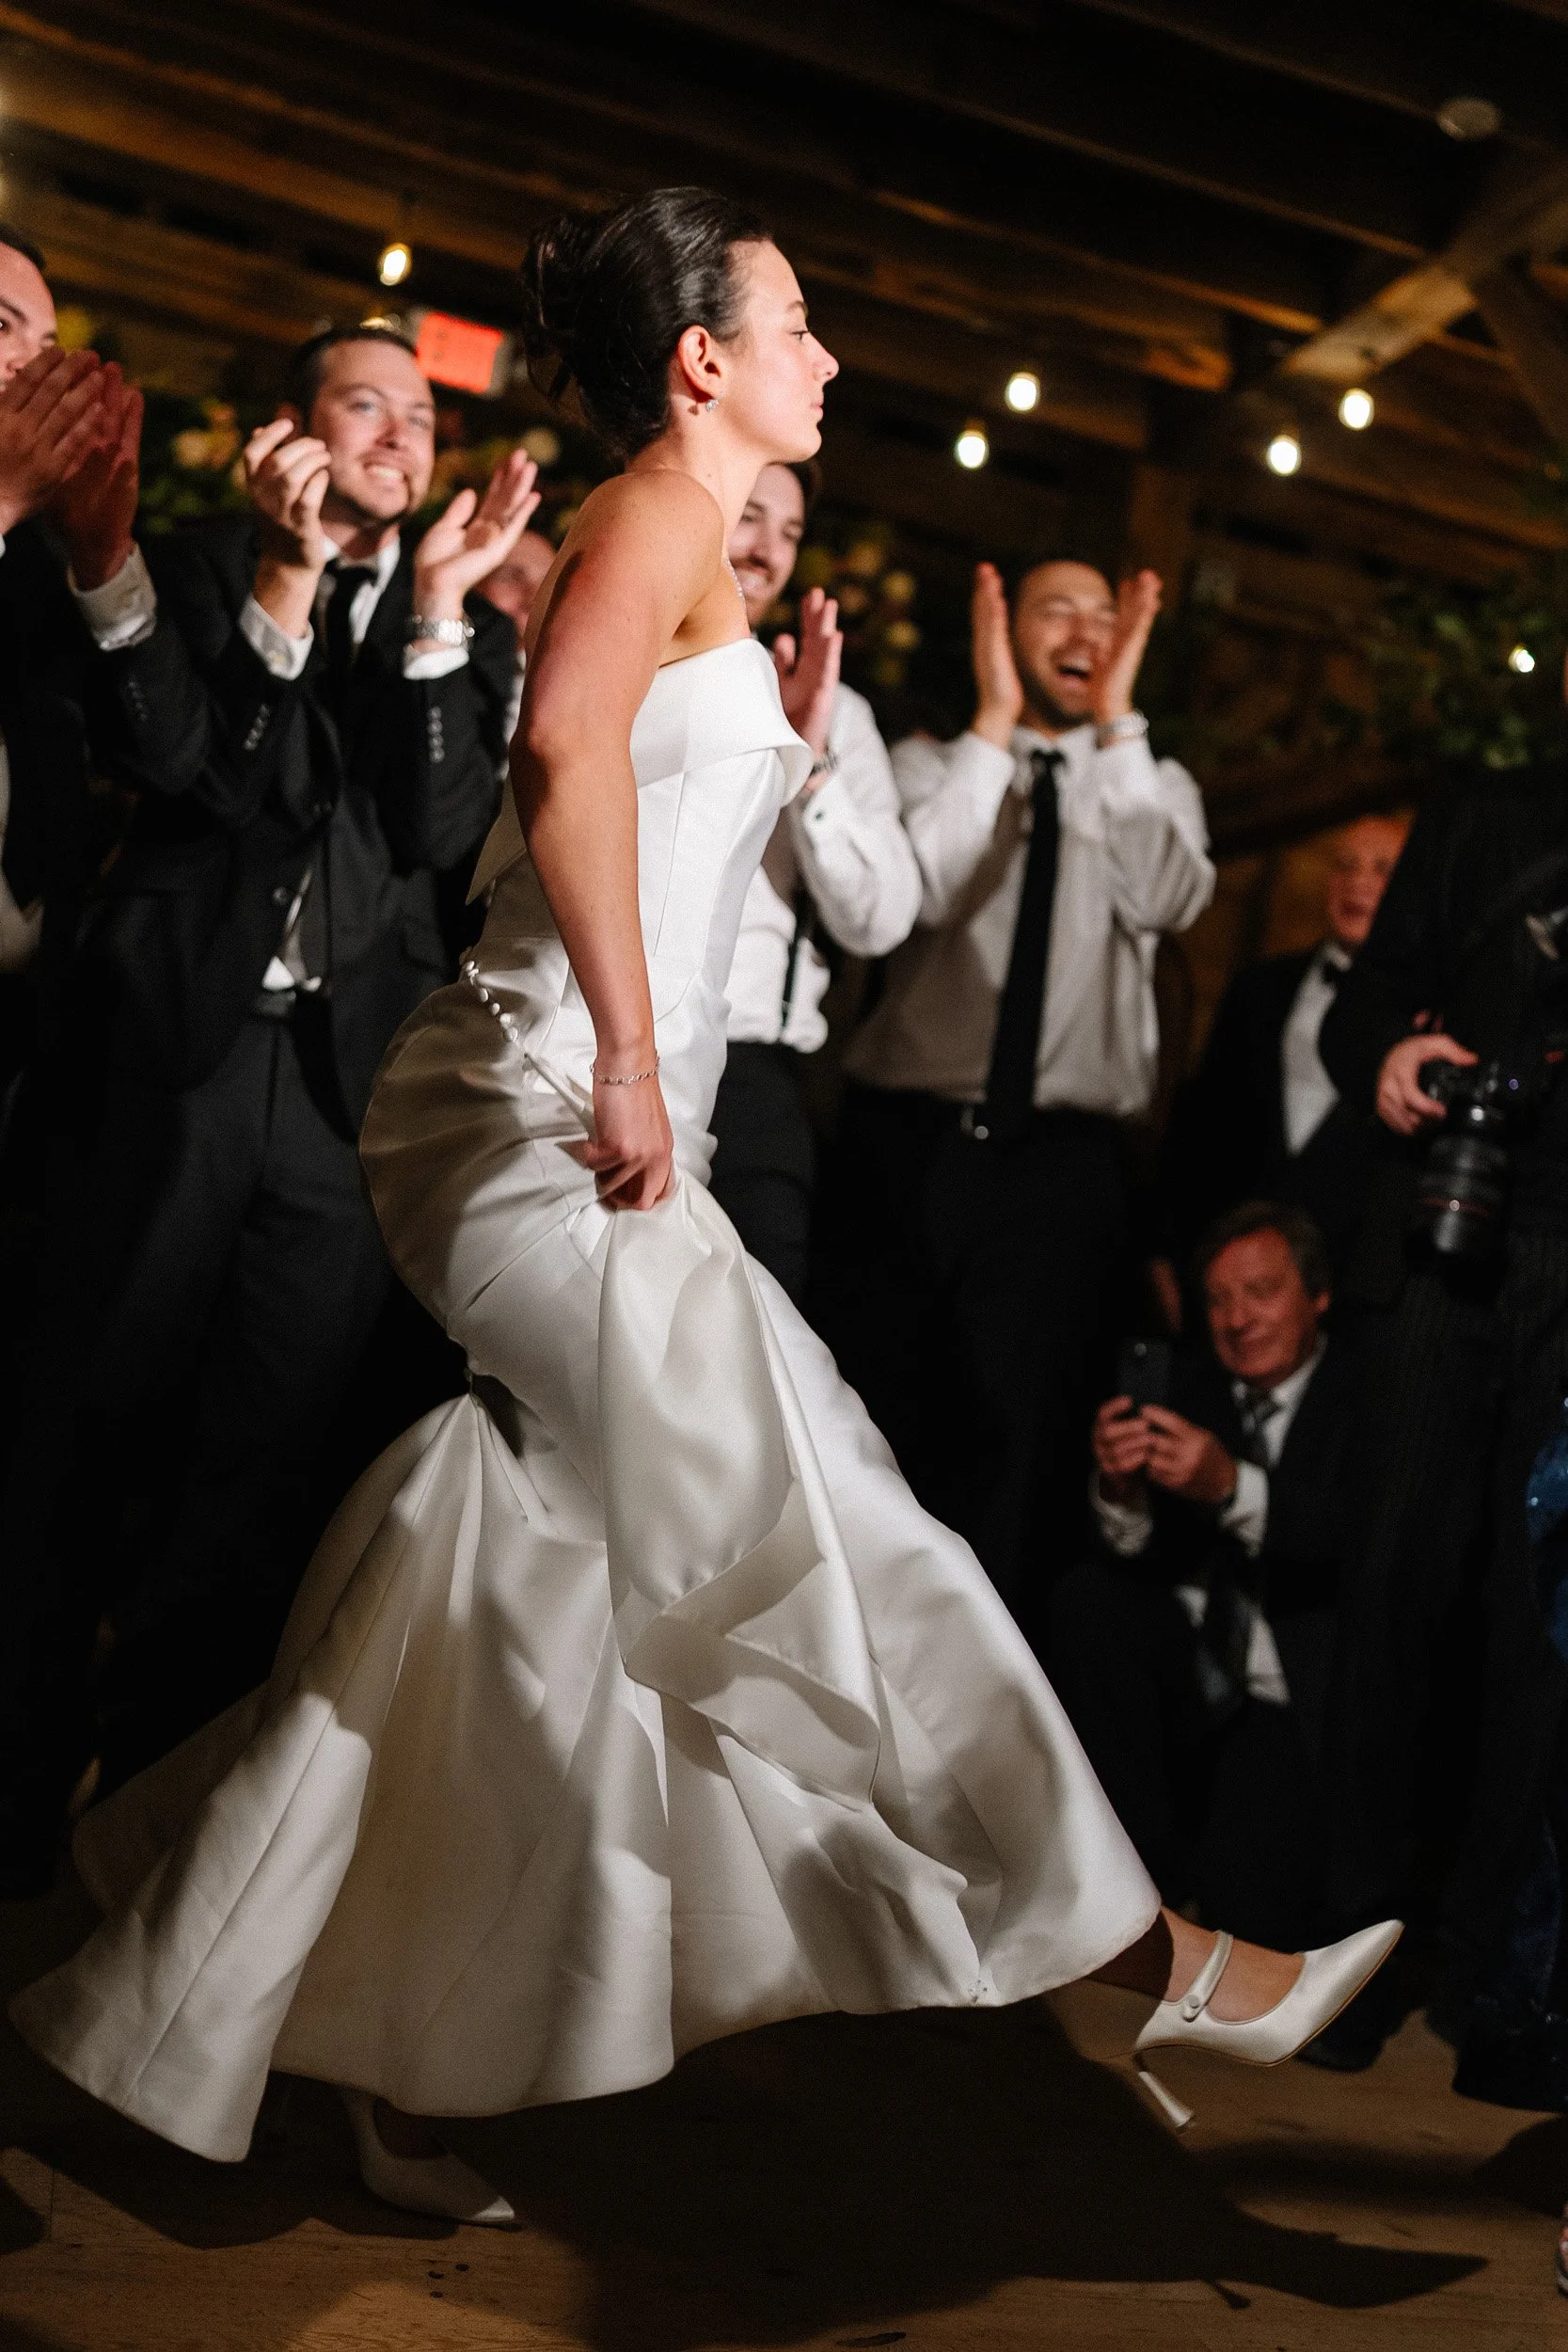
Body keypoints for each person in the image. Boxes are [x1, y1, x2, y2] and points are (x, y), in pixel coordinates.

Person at [13, 187, 1398, 2223]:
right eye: (801, 322)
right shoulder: (651, 509)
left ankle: (309, 2019)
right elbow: (561, 753)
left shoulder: (711, 569)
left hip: (569, 1116)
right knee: (825, 1516)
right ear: (700, 364)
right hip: (536, 1114)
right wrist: (644, 1056)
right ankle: (1167, 1959)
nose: (826, 357)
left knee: (512, 1581)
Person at [0, 322, 531, 1887]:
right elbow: (194, 760)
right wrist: (286, 583)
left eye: (420, 415)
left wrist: (434, 613)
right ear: (289, 433)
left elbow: (435, 830)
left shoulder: (466, 630)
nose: (397, 437)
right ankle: (18, 1797)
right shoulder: (197, 560)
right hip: (170, 1058)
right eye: (363, 406)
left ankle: (151, 1818)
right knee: (95, 1424)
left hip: (338, 1101)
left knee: (262, 1463)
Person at [823, 554, 1214, 1637]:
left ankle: (970, 1738)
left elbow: (1168, 894)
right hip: (902, 1145)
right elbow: (920, 894)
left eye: (1107, 614)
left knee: (1019, 1455)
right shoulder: (923, 764)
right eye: (1058, 608)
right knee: (866, 1423)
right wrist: (992, 729)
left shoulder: (1153, 784)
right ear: (999, 626)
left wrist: (1121, 723)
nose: (1085, 630)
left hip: (1059, 1172)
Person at [1308, 750, 1568, 2069]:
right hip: (1433, 1237)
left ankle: (1493, 1986)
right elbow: (1349, 1017)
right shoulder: (1480, 811)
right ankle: (1346, 1954)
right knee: (1388, 1584)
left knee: (1540, 1625)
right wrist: (1396, 1053)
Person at [1052, 1203, 1358, 1951]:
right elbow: (1135, 1555)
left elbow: (1356, 1546)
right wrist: (1120, 1487)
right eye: (1218, 1300)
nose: (1237, 1320)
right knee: (1088, 1601)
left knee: (1252, 1918)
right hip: (1193, 1665)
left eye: (1260, 1293)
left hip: (1295, 1692)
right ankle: (1123, 1881)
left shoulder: (1367, 1395)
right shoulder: (1191, 1386)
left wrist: (1230, 1488)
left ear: (1316, 1296)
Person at [711, 458, 919, 1297]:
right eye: (749, 518)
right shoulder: (615, 659)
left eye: (789, 533)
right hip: (594, 1049)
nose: (766, 552)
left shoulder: (843, 715)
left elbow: (882, 919)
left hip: (750, 1076)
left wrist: (810, 760)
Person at [1162, 814, 1410, 1282]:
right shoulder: (1260, 989)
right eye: (1345, 865)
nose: (1358, 882)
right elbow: (1201, 1123)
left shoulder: (1428, 1013)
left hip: (1353, 1274)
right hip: (1234, 1266)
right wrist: (1165, 1247)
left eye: (1383, 870)